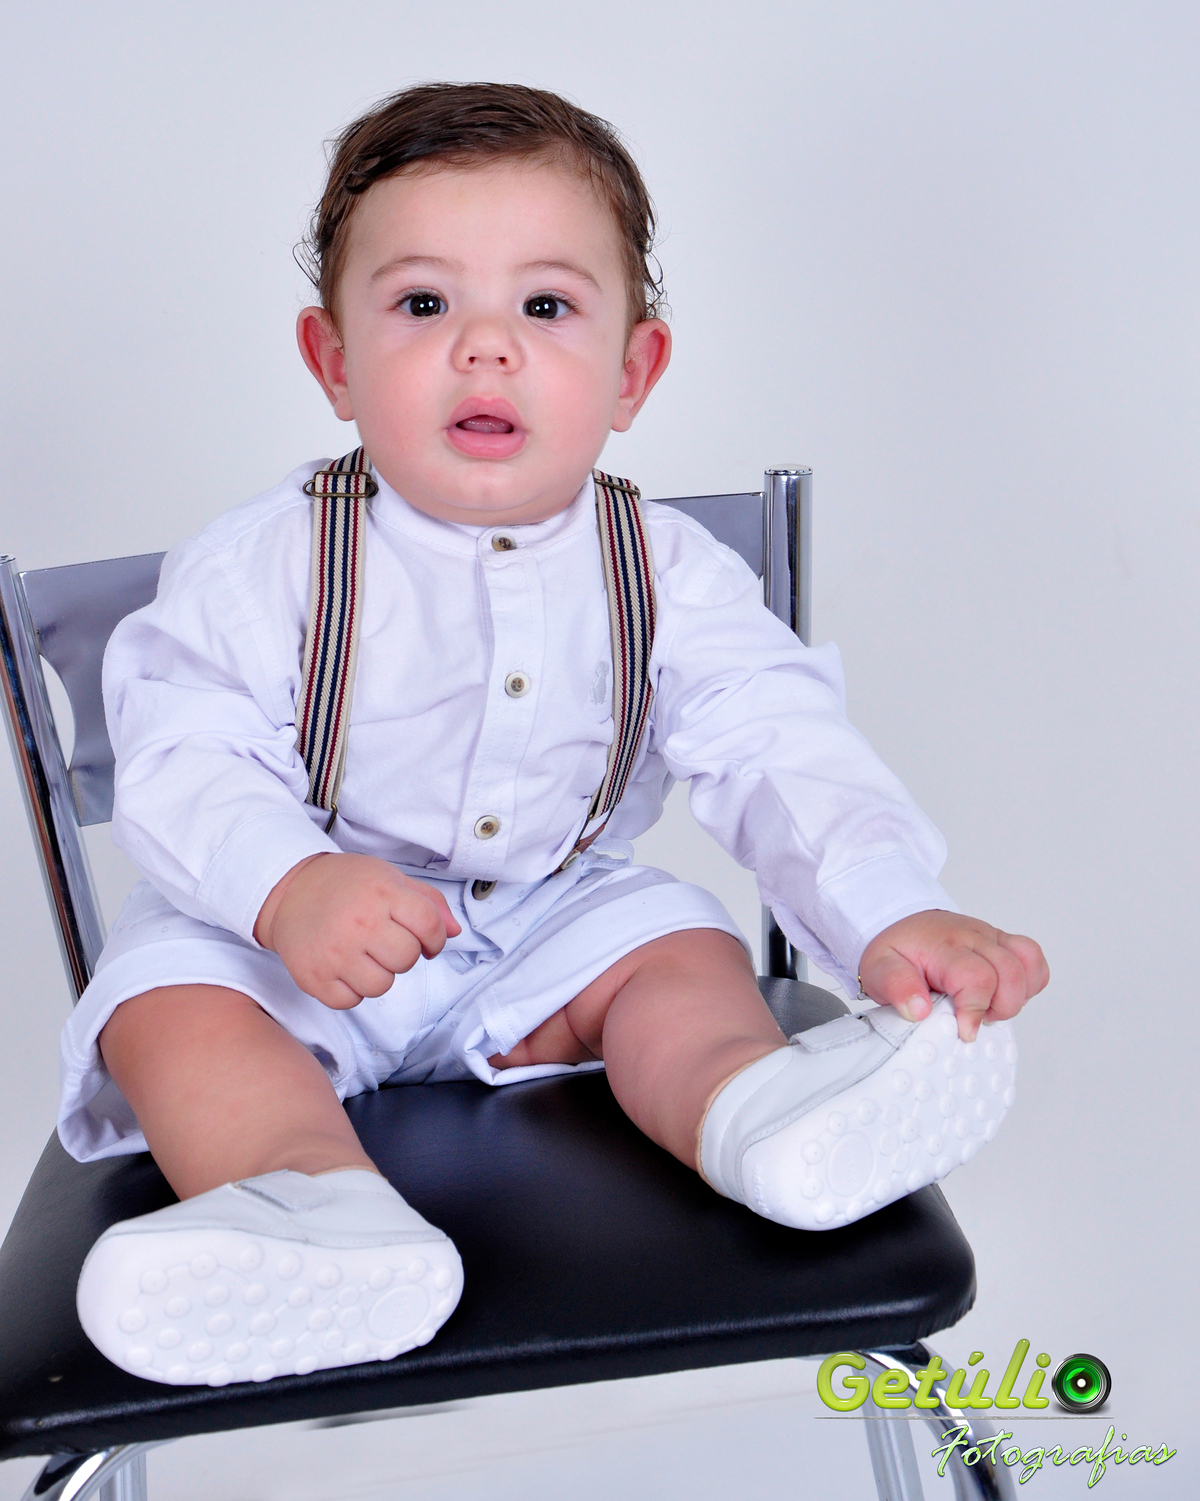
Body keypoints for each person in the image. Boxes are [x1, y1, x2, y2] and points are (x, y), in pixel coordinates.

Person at [63, 83, 1048, 1389]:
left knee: (674, 945)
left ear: (632, 370)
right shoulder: (264, 565)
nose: (486, 348)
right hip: (289, 949)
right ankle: (308, 1206)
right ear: (333, 360)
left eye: (545, 307)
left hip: (544, 935)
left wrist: (891, 910)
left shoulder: (665, 573)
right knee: (167, 1005)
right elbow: (183, 753)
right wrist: (285, 884)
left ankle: (755, 1108)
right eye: (424, 304)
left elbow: (777, 746)